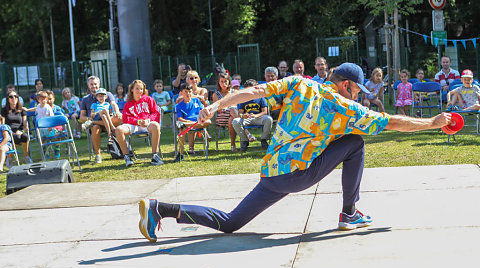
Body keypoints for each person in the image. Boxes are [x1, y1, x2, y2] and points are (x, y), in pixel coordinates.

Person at [138, 63, 452, 242]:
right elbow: (393, 121)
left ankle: (159, 209)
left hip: (272, 173)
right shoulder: (345, 107)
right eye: (357, 89)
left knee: (231, 223)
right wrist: (433, 122)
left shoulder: (301, 84)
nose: (360, 95)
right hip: (298, 176)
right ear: (345, 85)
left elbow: (256, 90)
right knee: (355, 142)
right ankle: (349, 212)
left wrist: (215, 104)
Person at [115, 80, 163, 167]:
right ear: (132, 89)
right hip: (134, 125)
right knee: (119, 130)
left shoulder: (149, 99)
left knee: (156, 126)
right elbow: (126, 118)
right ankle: (127, 157)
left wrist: (147, 120)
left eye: (141, 89)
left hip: (147, 123)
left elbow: (155, 113)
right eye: (137, 88)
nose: (139, 91)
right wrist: (137, 121)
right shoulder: (128, 104)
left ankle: (155, 156)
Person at [80, 76, 122, 164]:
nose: (94, 86)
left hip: (108, 120)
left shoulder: (107, 94)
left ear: (98, 84)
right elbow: (81, 117)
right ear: (88, 85)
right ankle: (98, 155)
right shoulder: (85, 99)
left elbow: (114, 104)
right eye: (91, 84)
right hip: (97, 123)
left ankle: (93, 123)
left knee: (119, 117)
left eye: (95, 84)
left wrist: (117, 111)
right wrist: (90, 118)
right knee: (95, 127)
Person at [232, 79, 273, 152]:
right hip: (247, 119)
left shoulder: (261, 98)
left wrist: (256, 115)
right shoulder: (243, 99)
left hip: (258, 118)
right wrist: (243, 115)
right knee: (235, 121)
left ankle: (264, 139)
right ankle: (245, 140)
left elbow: (265, 112)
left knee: (269, 119)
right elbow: (239, 114)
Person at [174, 84, 211, 162]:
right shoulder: (179, 106)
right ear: (181, 93)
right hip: (187, 124)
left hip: (198, 121)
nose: (188, 94)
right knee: (182, 129)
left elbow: (202, 111)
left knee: (209, 121)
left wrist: (200, 119)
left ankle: (193, 125)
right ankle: (181, 154)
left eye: (190, 92)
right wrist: (187, 122)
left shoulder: (197, 101)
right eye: (186, 92)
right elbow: (180, 118)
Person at [1, 90, 33, 165]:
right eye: (11, 97)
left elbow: (25, 124)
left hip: (19, 131)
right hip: (9, 132)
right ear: (8, 99)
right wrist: (8, 133)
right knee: (17, 138)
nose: (13, 98)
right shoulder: (4, 110)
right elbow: (3, 125)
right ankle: (9, 157)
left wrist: (24, 130)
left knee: (25, 136)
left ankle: (26, 156)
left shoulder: (21, 109)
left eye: (15, 96)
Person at [213, 73, 239, 152]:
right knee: (232, 112)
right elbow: (219, 109)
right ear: (219, 82)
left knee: (231, 120)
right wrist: (229, 107)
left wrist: (227, 106)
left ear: (229, 82)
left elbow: (237, 104)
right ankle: (246, 132)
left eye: (225, 81)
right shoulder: (216, 94)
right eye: (221, 82)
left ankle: (232, 145)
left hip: (233, 116)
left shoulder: (234, 92)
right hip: (222, 117)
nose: (224, 84)